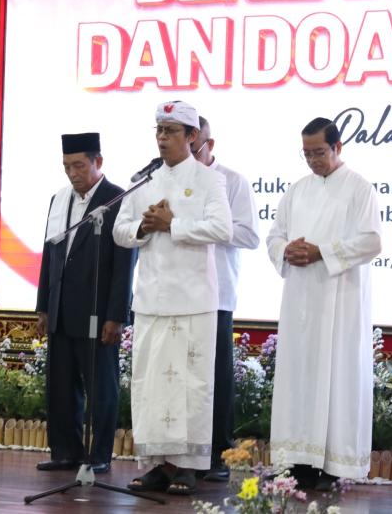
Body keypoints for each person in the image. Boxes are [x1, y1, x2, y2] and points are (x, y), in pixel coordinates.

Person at [112, 101, 232, 495]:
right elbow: (119, 230)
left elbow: (223, 229)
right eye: (159, 131)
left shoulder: (210, 179)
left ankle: (188, 466)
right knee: (151, 386)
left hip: (194, 300)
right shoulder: (144, 181)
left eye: (171, 131)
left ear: (192, 136)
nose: (163, 138)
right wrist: (145, 227)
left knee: (190, 385)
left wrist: (173, 224)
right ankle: (158, 465)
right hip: (151, 298)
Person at [266, 117, 383, 491]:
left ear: (337, 147)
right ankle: (297, 460)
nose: (313, 160)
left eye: (319, 152)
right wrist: (287, 250)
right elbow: (274, 236)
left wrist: (323, 252)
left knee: (337, 376)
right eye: (307, 154)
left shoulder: (359, 188)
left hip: (340, 300)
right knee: (298, 375)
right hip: (300, 299)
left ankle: (335, 464)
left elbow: (371, 241)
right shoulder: (297, 190)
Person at [35, 132, 136, 474]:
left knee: (101, 388)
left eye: (79, 165)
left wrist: (116, 315)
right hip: (61, 308)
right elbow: (50, 255)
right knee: (61, 387)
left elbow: (125, 264)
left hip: (98, 312)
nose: (72, 173)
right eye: (67, 166)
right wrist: (43, 306)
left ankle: (99, 455)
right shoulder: (59, 199)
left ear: (98, 162)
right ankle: (66, 451)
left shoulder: (117, 199)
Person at [191, 115, 260, 482]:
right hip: (178, 296)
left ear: (210, 145)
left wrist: (204, 228)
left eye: (194, 148)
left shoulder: (233, 182)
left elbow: (250, 235)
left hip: (216, 294)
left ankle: (218, 455)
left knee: (215, 378)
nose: (187, 156)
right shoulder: (168, 181)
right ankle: (180, 456)